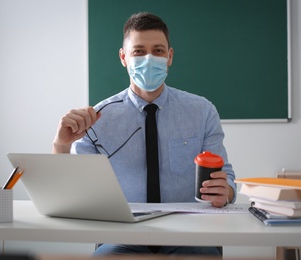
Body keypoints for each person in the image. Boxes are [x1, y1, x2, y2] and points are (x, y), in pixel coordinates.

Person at [53, 12, 236, 256]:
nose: (149, 58)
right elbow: (73, 194)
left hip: (190, 235)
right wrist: (61, 145)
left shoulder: (202, 111)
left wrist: (227, 192)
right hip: (122, 237)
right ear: (123, 57)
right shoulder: (95, 118)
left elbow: (228, 178)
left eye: (158, 51)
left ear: (169, 57)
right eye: (139, 51)